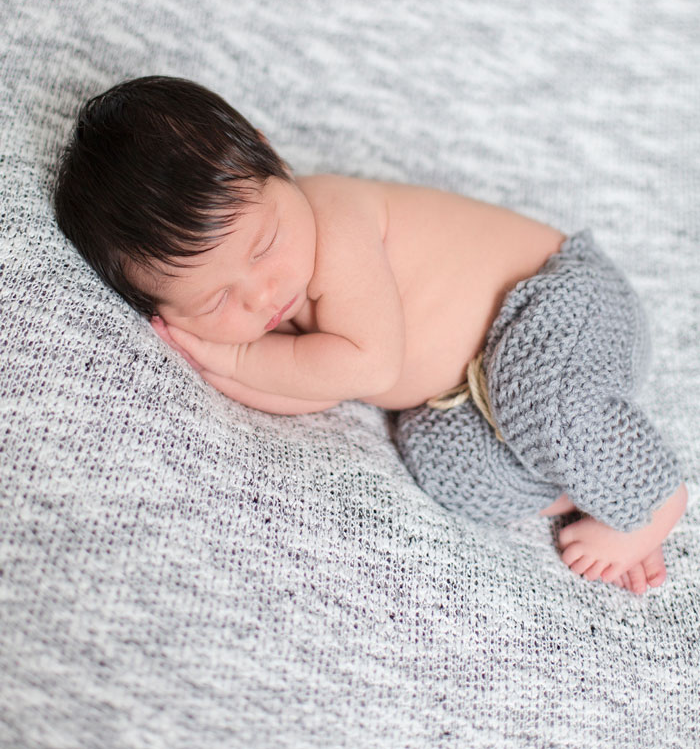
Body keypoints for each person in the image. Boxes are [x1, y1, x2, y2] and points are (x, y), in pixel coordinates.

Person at [53, 75, 687, 595]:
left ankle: (652, 496)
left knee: (543, 395)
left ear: (275, 159)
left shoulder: (334, 215)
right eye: (216, 299)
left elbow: (369, 367)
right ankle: (587, 481)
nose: (262, 294)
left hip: (557, 308)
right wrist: (217, 367)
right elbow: (313, 392)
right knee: (444, 462)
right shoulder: (269, 297)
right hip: (461, 396)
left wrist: (238, 351)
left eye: (264, 244)